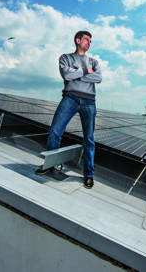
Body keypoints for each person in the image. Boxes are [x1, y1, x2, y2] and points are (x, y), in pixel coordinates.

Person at [36, 31, 102, 189]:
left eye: (90, 41)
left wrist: (76, 74)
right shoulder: (65, 58)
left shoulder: (94, 61)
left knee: (89, 139)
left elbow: (98, 78)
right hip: (70, 98)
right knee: (55, 131)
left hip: (89, 101)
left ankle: (88, 175)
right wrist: (86, 72)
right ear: (78, 40)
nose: (89, 43)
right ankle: (51, 165)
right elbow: (66, 75)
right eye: (86, 40)